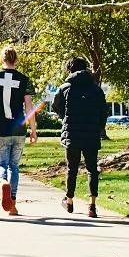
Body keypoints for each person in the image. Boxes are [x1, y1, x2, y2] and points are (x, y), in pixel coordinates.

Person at [0, 46, 40, 215]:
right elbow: (29, 107)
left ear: (1, 59)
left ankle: (2, 182)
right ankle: (12, 203)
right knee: (14, 166)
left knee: (0, 164)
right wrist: (33, 130)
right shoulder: (24, 79)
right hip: (18, 129)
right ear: (16, 60)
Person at [51, 56, 109, 217]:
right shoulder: (96, 89)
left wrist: (66, 119)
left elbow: (57, 107)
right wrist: (98, 127)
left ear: (70, 69)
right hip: (91, 134)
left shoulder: (65, 88)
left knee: (72, 168)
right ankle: (92, 206)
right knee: (92, 169)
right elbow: (104, 111)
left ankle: (69, 201)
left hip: (72, 134)